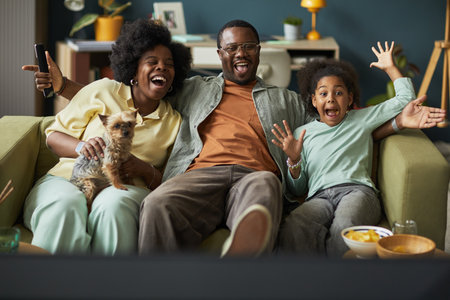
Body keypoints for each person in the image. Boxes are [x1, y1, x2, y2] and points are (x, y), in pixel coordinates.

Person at [27, 20, 446, 257]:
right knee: (156, 203)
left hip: (254, 174)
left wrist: (396, 122)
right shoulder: (192, 88)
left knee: (266, 186)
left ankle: (242, 267)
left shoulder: (287, 98)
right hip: (200, 173)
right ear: (220, 54)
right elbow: (130, 91)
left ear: (258, 51)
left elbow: (338, 124)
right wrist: (66, 86)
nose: (240, 53)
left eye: (248, 46)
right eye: (231, 48)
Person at [21, 19, 192, 255]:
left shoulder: (174, 123)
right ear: (133, 68)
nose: (162, 67)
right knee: (66, 204)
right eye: (152, 62)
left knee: (114, 206)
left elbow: (171, 184)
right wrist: (82, 146)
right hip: (67, 179)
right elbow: (53, 138)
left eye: (169, 64)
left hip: (124, 190)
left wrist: (142, 169)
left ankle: (111, 287)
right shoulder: (103, 89)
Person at [272, 41, 417, 257]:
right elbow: (297, 189)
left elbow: (406, 99)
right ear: (313, 100)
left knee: (345, 227)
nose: (330, 98)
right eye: (323, 94)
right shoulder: (303, 133)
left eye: (338, 93)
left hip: (358, 192)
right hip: (318, 198)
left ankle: (338, 284)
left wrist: (391, 68)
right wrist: (294, 161)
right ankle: (305, 283)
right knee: (294, 226)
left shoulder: (361, 118)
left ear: (350, 99)